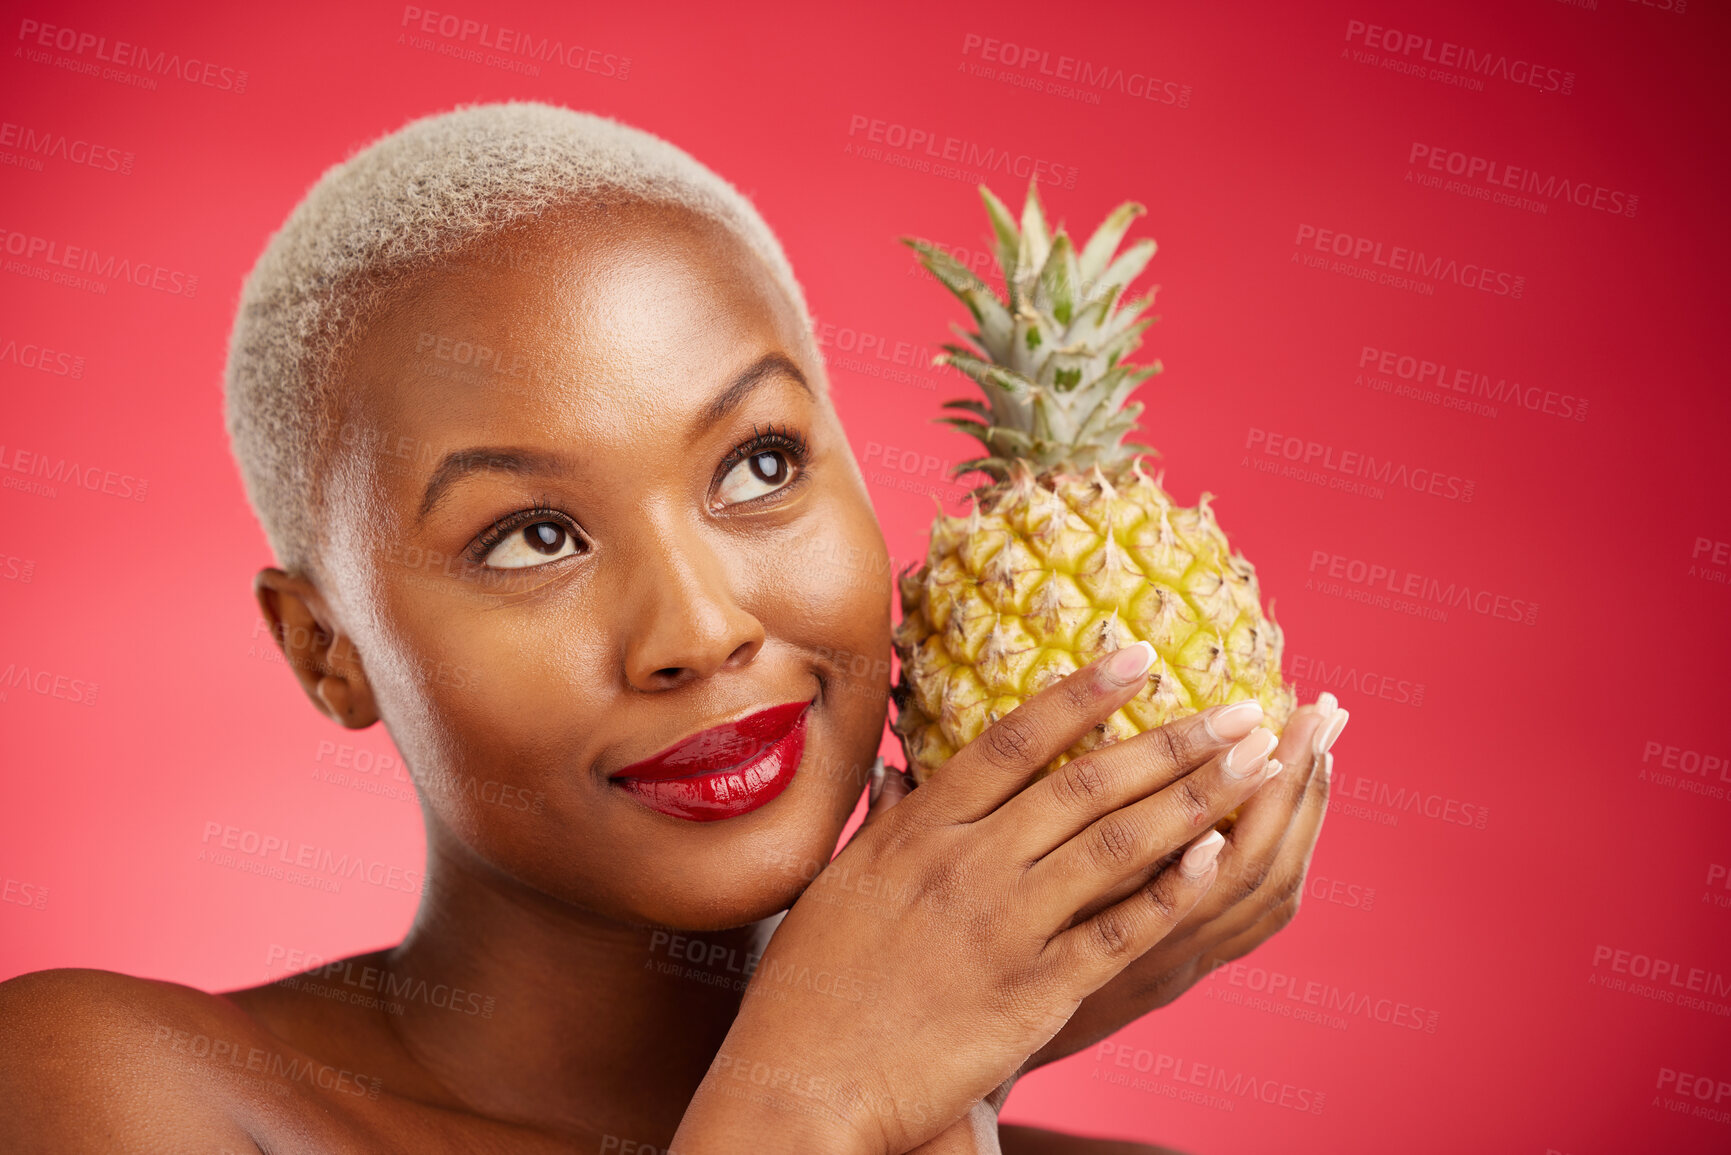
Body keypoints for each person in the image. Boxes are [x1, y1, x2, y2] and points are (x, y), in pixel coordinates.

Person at [0, 102, 1345, 1154]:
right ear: (322, 648)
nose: (699, 630)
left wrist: (946, 1079)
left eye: (759, 464)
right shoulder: (100, 1089)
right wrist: (810, 1105)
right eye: (534, 535)